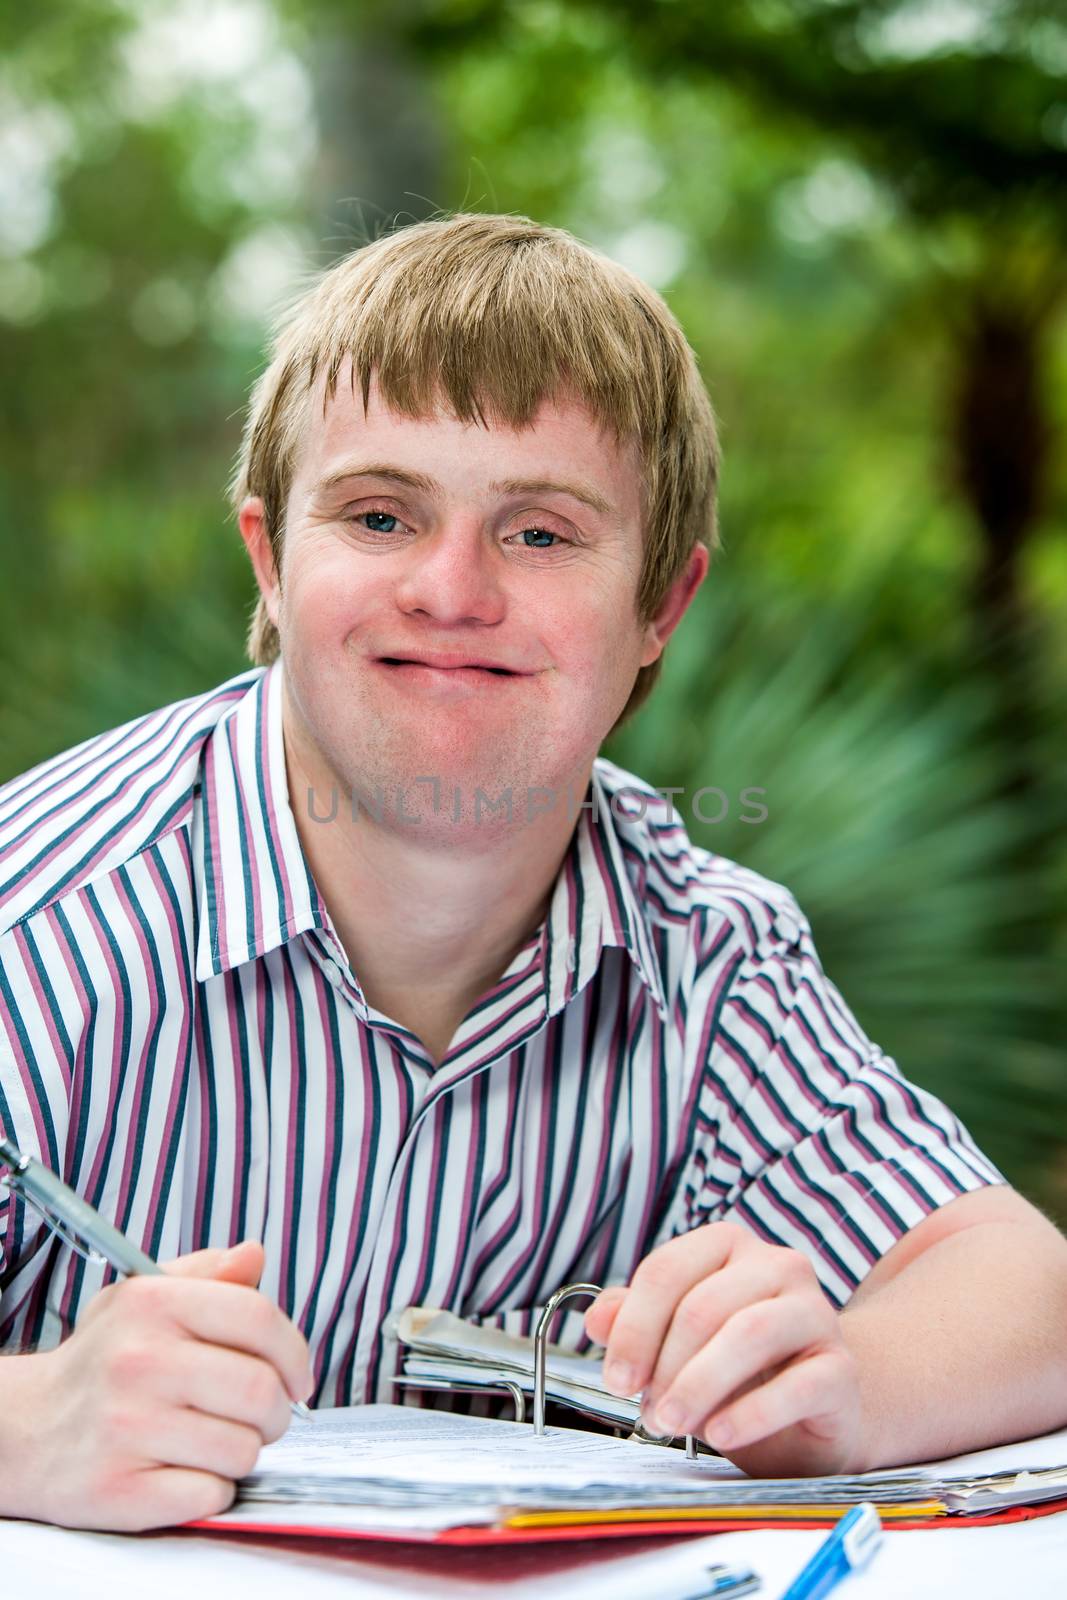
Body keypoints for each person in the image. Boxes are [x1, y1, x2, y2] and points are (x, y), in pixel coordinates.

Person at [1, 213, 1065, 1534]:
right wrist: (24, 1427)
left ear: (660, 610)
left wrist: (844, 1382)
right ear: (273, 560)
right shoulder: (33, 923)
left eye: (543, 534)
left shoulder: (707, 954)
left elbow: (1024, 1288)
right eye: (381, 514)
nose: (452, 590)